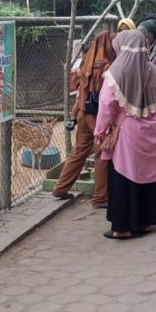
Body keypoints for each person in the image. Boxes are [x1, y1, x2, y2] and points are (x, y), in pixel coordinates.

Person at [94, 29, 156, 239]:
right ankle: (145, 222)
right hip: (153, 131)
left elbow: (106, 106)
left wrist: (100, 132)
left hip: (128, 134)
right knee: (149, 177)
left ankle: (122, 228)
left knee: (123, 177)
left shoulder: (115, 75)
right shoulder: (154, 71)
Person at [52, 30, 114, 206]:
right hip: (96, 116)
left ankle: (60, 188)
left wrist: (73, 114)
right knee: (102, 153)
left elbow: (79, 92)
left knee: (79, 151)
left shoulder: (85, 62)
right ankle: (100, 197)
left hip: (81, 113)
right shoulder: (106, 65)